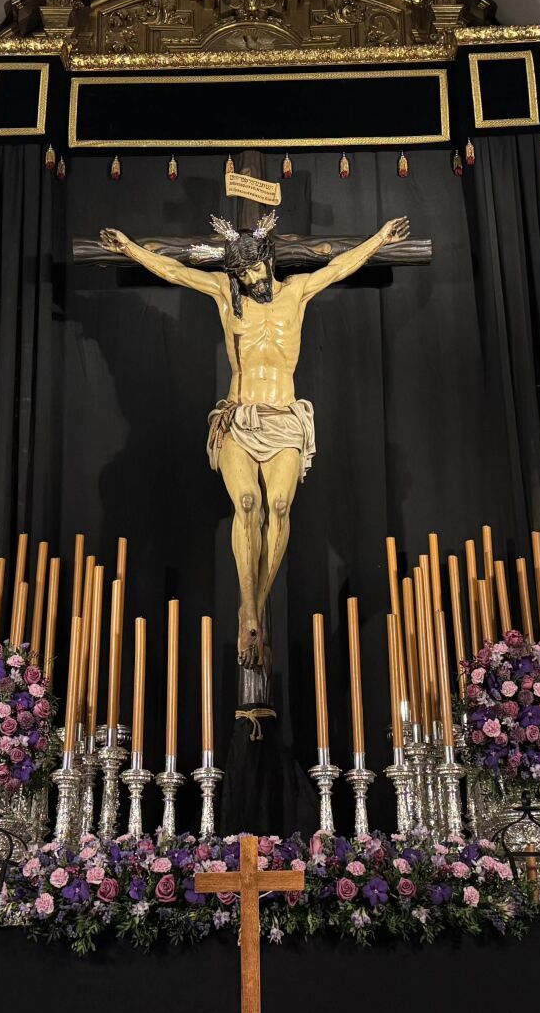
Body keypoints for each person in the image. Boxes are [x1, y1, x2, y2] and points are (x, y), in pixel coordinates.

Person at [101, 210, 409, 674]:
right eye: (240, 273)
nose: (249, 279)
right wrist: (130, 248)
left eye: (254, 269)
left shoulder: (297, 292)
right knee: (247, 502)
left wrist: (380, 237)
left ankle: (255, 610)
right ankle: (248, 609)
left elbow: (340, 266)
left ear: (268, 260)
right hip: (239, 417)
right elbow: (177, 270)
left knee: (279, 505)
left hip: (284, 418)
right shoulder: (227, 296)